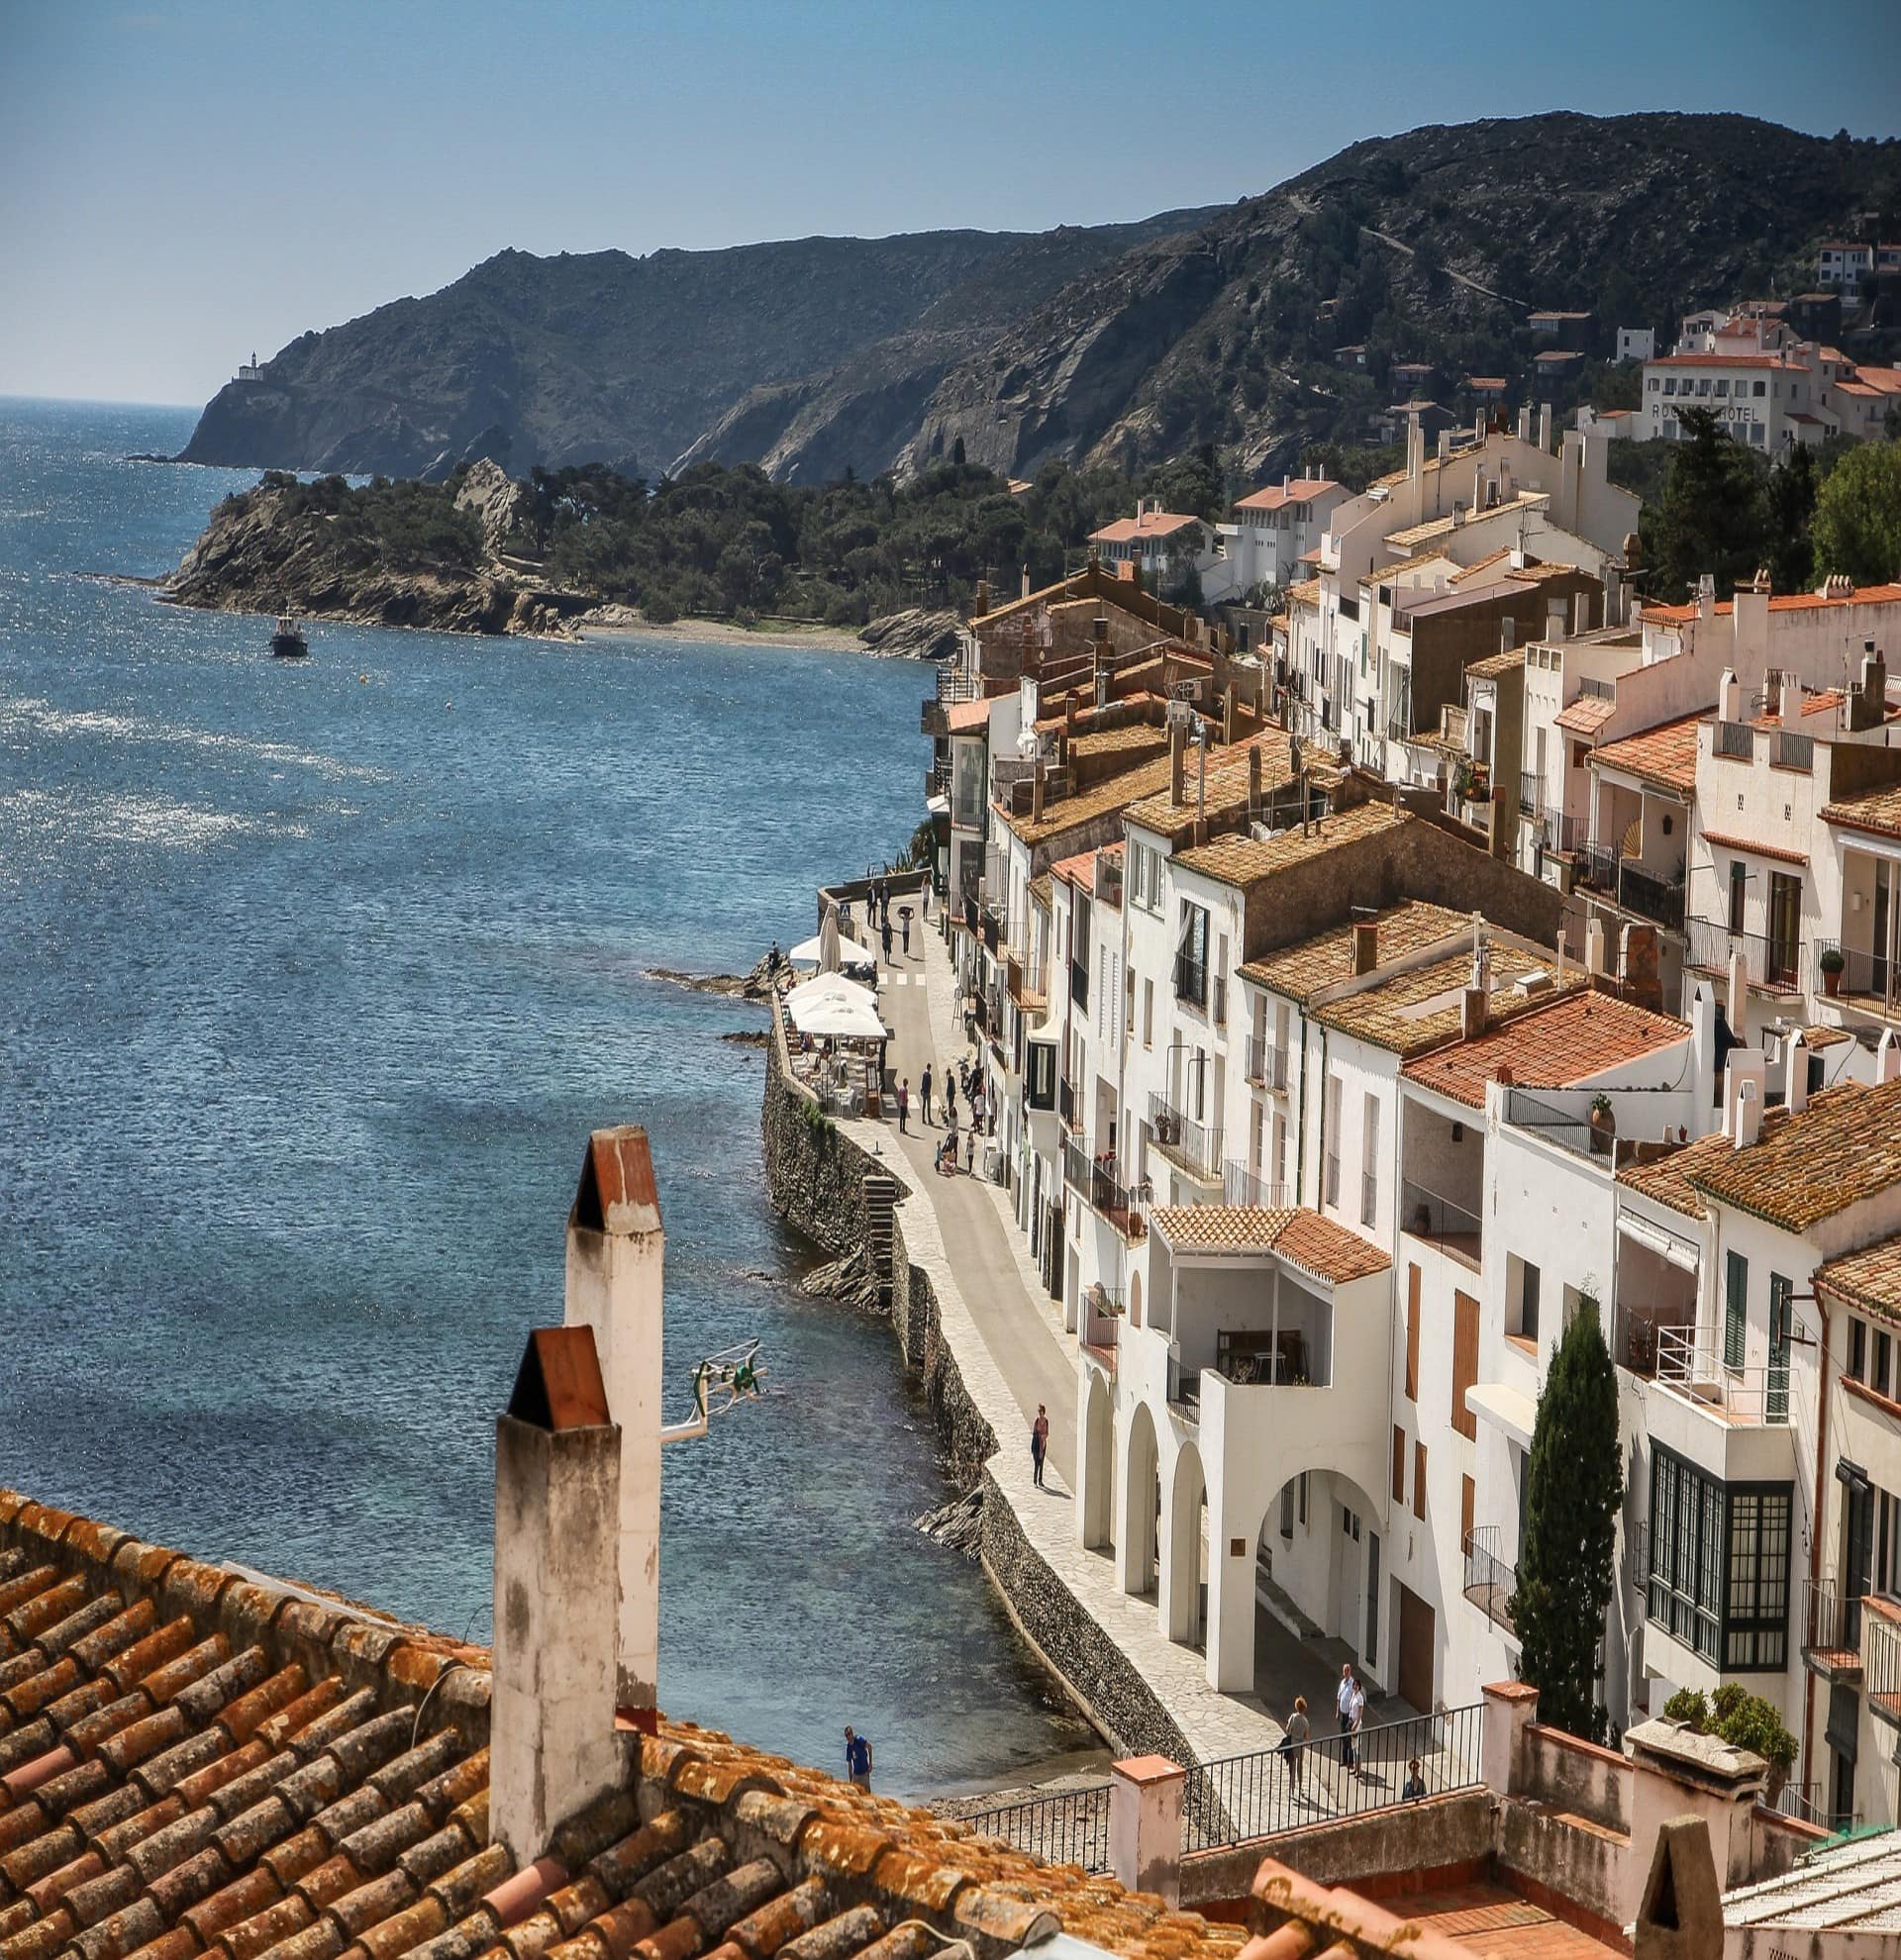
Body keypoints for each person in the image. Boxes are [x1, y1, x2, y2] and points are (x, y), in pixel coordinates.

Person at [1281, 1696, 1310, 1792]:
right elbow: (1306, 1736)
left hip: (1293, 1743)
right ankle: (1300, 1785)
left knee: (1292, 1765)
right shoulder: (1305, 1721)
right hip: (1301, 1745)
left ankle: (1292, 1786)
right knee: (1300, 1766)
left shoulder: (1293, 1717)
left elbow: (1288, 1730)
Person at [1336, 1664, 1358, 1772]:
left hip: (1349, 1716)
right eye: (1344, 1671)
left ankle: (1351, 1762)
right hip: (1342, 1714)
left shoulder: (1352, 1684)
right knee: (1343, 1737)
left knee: (1349, 1739)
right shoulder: (1342, 1683)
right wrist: (1337, 1711)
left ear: (1350, 1671)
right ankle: (1344, 1760)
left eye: (1347, 1671)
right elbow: (1339, 1698)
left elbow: (1354, 1699)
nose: (1345, 1673)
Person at [845, 1726, 872, 1790]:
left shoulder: (859, 1740)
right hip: (856, 1774)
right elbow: (849, 1764)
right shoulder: (849, 1747)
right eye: (846, 1736)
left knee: (867, 1794)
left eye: (849, 1734)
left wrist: (870, 1764)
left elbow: (870, 1747)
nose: (848, 1737)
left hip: (864, 1773)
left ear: (852, 1733)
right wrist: (850, 1779)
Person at [1031, 1405, 1050, 1488]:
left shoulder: (1046, 1421)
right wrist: (1038, 1435)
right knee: (1036, 1463)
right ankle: (1035, 1481)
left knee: (1041, 1463)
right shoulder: (1037, 1421)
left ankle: (1040, 1480)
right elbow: (1034, 1432)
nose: (1040, 1413)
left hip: (1043, 1444)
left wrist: (1043, 1437)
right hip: (1037, 1444)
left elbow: (1047, 1433)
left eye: (1041, 1412)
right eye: (1039, 1412)